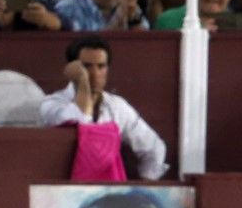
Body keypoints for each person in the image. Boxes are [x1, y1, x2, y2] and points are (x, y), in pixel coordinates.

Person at [38, 36, 167, 178]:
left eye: (101, 66)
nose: (94, 74)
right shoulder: (52, 103)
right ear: (72, 69)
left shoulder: (117, 107)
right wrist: (82, 81)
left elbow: (155, 148)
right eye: (86, 66)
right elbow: (80, 119)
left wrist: (143, 187)